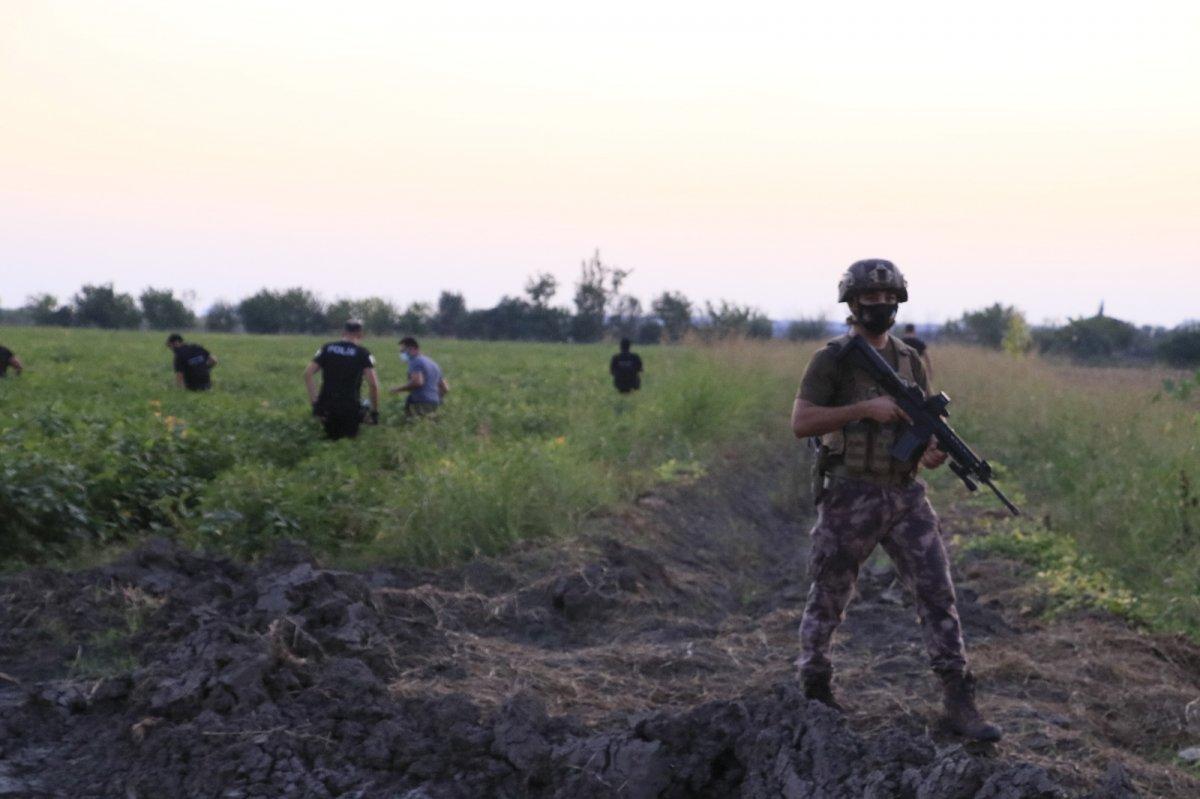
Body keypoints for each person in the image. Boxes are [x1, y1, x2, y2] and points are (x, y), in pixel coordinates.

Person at [789, 258, 1001, 742]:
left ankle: (958, 699)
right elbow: (801, 422)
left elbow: (920, 424)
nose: (880, 305)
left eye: (888, 299)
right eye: (870, 298)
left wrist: (931, 451)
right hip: (850, 493)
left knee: (937, 593)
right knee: (828, 594)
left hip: (904, 494)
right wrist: (865, 408)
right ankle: (814, 686)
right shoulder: (833, 360)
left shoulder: (909, 360)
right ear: (852, 302)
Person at [304, 319, 380, 440]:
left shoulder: (327, 348)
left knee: (327, 443)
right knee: (347, 446)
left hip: (326, 405)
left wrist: (315, 403)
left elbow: (308, 374)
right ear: (360, 334)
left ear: (343, 332)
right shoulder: (363, 353)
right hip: (350, 407)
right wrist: (374, 412)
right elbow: (373, 384)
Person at [391, 336, 447, 417]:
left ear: (411, 349)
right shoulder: (433, 363)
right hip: (434, 403)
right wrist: (435, 398)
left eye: (403, 351)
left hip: (420, 402)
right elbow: (445, 388)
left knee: (412, 425)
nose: (401, 354)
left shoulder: (415, 361)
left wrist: (398, 389)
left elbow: (417, 382)